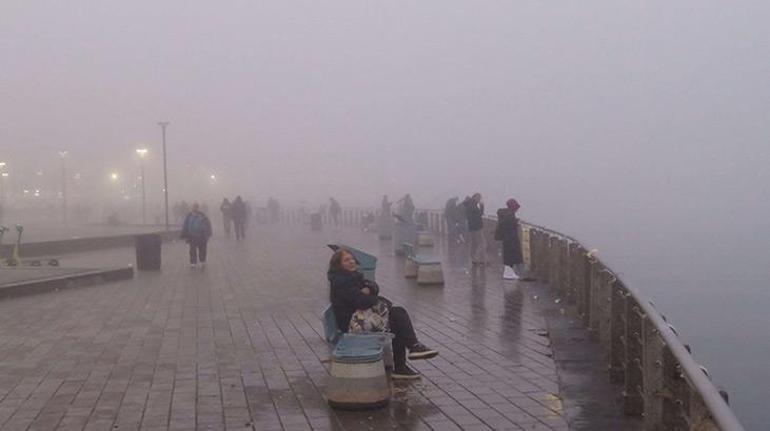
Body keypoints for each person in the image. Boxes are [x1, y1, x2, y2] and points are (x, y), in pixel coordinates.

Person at [328, 249, 438, 379]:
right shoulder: (341, 281)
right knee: (397, 316)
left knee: (396, 316)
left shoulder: (352, 276)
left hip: (361, 317)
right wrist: (374, 298)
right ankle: (408, 354)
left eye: (352, 258)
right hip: (353, 324)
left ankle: (407, 357)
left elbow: (373, 286)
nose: (351, 261)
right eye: (346, 260)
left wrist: (369, 290)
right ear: (338, 264)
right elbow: (361, 301)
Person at [495, 199, 525, 280]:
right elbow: (508, 224)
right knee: (510, 255)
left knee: (509, 255)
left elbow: (506, 223)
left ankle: (509, 272)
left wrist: (515, 221)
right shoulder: (509, 214)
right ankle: (508, 273)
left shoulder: (505, 214)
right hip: (510, 238)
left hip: (507, 238)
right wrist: (516, 223)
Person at [181, 203, 212, 268]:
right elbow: (185, 225)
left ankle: (202, 261)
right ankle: (193, 262)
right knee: (192, 250)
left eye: (196, 207)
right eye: (193, 207)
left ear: (198, 208)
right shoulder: (189, 216)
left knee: (202, 249)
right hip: (192, 236)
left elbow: (207, 225)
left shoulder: (202, 215)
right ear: (192, 208)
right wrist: (184, 234)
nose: (194, 208)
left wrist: (208, 234)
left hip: (201, 236)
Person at [463, 193, 486, 265]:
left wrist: (481, 207)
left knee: (474, 243)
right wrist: (482, 207)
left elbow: (474, 215)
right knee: (482, 243)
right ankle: (478, 259)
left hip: (472, 227)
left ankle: (473, 258)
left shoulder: (469, 204)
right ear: (475, 197)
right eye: (479, 198)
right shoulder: (472, 205)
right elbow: (478, 215)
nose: (480, 199)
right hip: (477, 227)